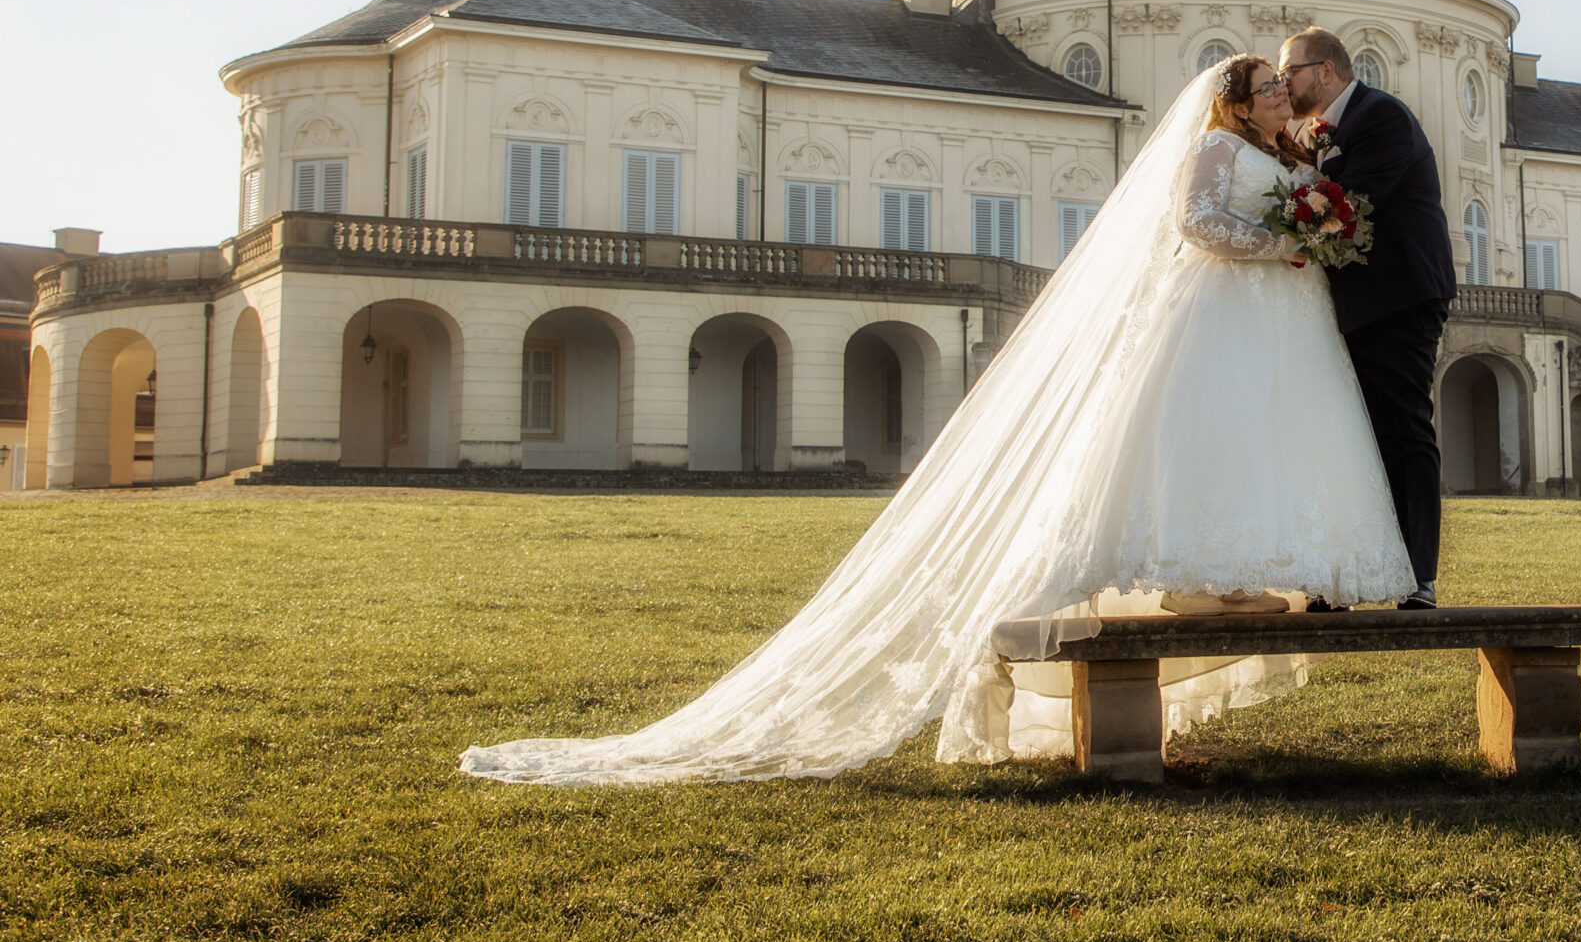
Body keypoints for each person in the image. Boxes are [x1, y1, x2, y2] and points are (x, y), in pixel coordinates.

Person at [458, 56, 1413, 785]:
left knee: (1256, 440)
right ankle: (1190, 580)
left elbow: (1289, 207)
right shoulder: (1211, 149)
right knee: (1198, 434)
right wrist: (1280, 240)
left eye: (1289, 87)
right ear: (1238, 102)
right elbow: (1197, 227)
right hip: (1224, 308)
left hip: (1276, 324)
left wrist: (1304, 227)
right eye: (1271, 88)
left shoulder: (1279, 152)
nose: (1289, 95)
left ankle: (1237, 582)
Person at [1276, 27, 1458, 610]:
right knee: (1347, 436)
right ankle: (1347, 575)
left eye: (1291, 72)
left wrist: (1270, 236)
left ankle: (1416, 577)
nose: (1285, 84)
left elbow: (1350, 199)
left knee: (1402, 428)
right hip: (1344, 304)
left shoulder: (1382, 116)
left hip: (1398, 296)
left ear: (1325, 70)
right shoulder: (1311, 133)